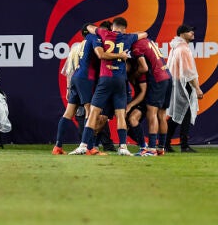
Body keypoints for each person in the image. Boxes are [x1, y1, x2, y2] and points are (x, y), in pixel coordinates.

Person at [69, 17, 147, 156]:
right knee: (121, 114)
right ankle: (123, 147)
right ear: (124, 28)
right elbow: (144, 34)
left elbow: (89, 28)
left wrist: (95, 29)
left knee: (93, 112)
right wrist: (127, 36)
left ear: (113, 27)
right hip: (120, 80)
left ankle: (83, 146)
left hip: (106, 79)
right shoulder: (128, 38)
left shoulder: (104, 34)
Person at [165, 24, 203, 153]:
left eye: (192, 30)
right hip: (183, 84)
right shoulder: (183, 49)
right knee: (184, 114)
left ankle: (166, 143)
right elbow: (188, 72)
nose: (192, 33)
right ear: (182, 34)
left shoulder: (176, 48)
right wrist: (197, 88)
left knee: (178, 114)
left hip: (176, 83)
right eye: (189, 31)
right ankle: (184, 145)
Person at [131, 38, 172, 156]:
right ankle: (161, 148)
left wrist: (134, 76)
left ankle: (152, 149)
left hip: (157, 78)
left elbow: (144, 68)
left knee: (151, 112)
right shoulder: (148, 41)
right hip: (168, 76)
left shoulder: (136, 45)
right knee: (162, 114)